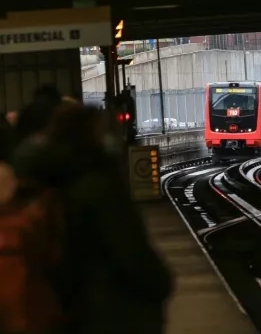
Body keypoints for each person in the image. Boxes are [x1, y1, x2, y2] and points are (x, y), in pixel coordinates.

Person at [12, 103, 173, 334]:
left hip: (62, 303)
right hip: (109, 308)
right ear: (88, 135)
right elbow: (130, 251)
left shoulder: (38, 180)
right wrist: (160, 283)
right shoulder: (97, 186)